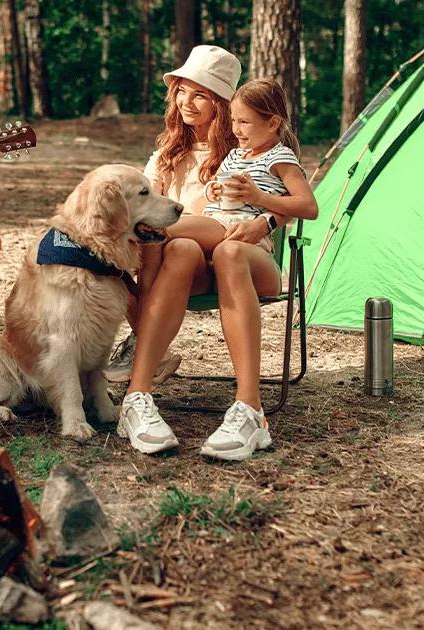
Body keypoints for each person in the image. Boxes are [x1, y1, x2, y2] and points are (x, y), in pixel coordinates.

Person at [118, 78, 319, 462]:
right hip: (209, 240)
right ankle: (136, 397)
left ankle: (250, 410)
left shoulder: (277, 155)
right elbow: (217, 193)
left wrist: (263, 211)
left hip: (251, 253)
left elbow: (308, 206)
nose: (236, 130)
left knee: (217, 249)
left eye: (244, 122)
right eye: (236, 123)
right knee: (178, 248)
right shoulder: (235, 153)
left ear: (272, 122)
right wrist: (212, 193)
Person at [103, 45, 244, 385]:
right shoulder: (168, 151)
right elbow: (144, 195)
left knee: (159, 233)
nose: (186, 102)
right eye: (181, 92)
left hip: (221, 253)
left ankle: (143, 342)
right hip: (175, 256)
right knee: (109, 256)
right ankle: (153, 348)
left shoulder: (239, 152)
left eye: (200, 95)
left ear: (221, 105)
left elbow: (226, 220)